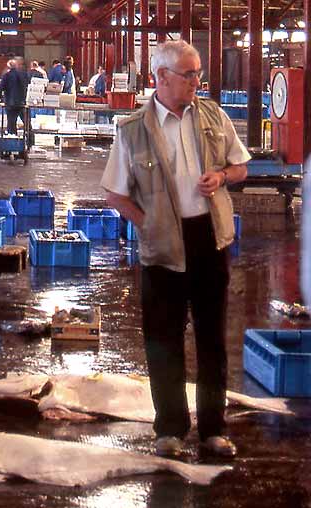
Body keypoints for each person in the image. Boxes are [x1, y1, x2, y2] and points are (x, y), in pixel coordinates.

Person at [100, 40, 250, 459]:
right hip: (162, 247)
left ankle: (213, 430)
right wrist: (149, 226)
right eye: (189, 74)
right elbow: (114, 192)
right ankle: (169, 430)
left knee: (212, 339)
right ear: (161, 77)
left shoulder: (213, 116)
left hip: (209, 240)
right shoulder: (132, 130)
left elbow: (241, 165)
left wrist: (222, 177)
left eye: (198, 72)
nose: (196, 81)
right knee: (163, 340)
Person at [0, 57, 28, 135]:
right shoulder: (23, 75)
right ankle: (30, 141)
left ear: (8, 66)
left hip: (10, 104)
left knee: (11, 124)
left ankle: (12, 141)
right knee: (27, 123)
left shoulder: (6, 76)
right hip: (22, 103)